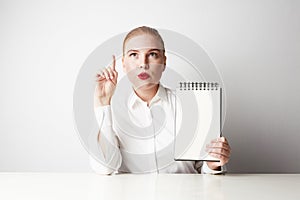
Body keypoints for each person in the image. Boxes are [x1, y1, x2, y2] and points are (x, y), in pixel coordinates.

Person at [90, 26, 231, 175]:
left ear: (164, 62)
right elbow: (105, 168)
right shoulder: (111, 111)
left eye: (152, 54)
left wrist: (213, 164)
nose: (143, 64)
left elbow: (204, 172)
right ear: (124, 64)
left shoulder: (192, 107)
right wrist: (102, 103)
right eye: (134, 55)